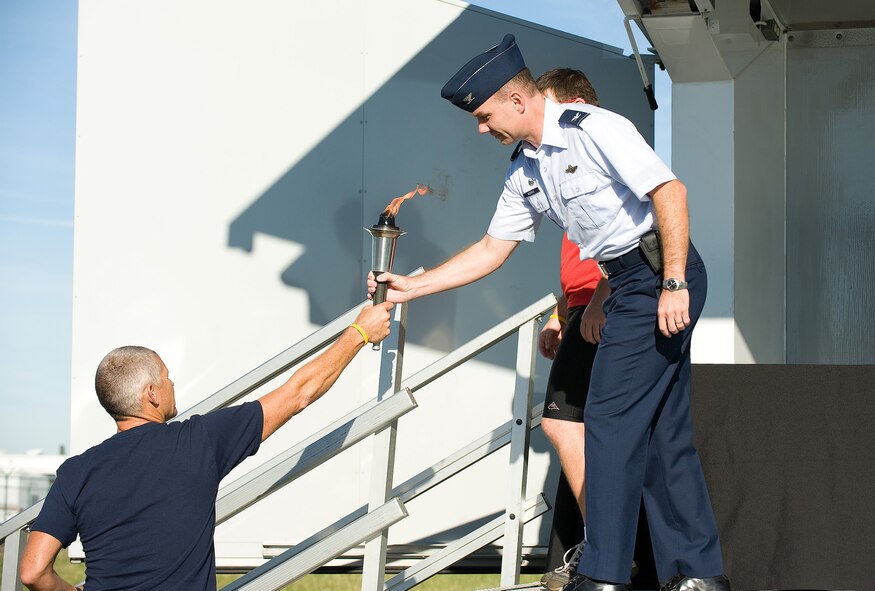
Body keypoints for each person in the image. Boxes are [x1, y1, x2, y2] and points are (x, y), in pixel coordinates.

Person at [368, 34, 729, 591]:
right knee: (662, 431)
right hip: (628, 281)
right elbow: (492, 249)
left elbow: (669, 193)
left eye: (486, 117)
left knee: (606, 421)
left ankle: (604, 576)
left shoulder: (595, 129)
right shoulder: (525, 169)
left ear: (517, 100)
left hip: (662, 275)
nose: (482, 129)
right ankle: (699, 575)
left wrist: (674, 281)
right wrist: (410, 288)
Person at [19, 302, 393, 591]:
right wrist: (359, 331)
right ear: (151, 394)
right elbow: (297, 395)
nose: (172, 382)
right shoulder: (197, 441)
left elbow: (33, 572)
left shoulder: (77, 472)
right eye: (165, 377)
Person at [532, 68, 607, 591]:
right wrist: (561, 312)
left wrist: (602, 298)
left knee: (565, 423)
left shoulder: (601, 154)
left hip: (609, 306)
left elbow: (628, 237)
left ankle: (606, 546)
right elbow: (574, 259)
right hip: (581, 310)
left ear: (575, 104)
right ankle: (596, 548)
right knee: (570, 427)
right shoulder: (558, 166)